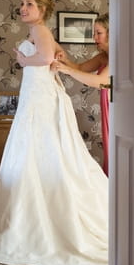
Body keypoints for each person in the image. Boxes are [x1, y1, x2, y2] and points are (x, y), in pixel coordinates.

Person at [0, 0, 108, 265]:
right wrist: (56, 59)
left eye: (29, 4)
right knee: (37, 154)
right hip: (36, 95)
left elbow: (44, 60)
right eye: (21, 4)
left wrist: (22, 59)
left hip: (41, 99)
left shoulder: (41, 31)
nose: (23, 8)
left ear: (42, 10)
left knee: (44, 152)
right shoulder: (39, 33)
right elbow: (56, 59)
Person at [52, 13, 110, 176]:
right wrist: (65, 61)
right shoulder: (103, 57)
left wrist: (67, 70)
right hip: (107, 105)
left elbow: (101, 81)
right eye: (94, 33)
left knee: (115, 150)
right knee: (109, 150)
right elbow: (81, 68)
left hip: (117, 108)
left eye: (99, 33)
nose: (95, 37)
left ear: (110, 33)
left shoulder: (119, 56)